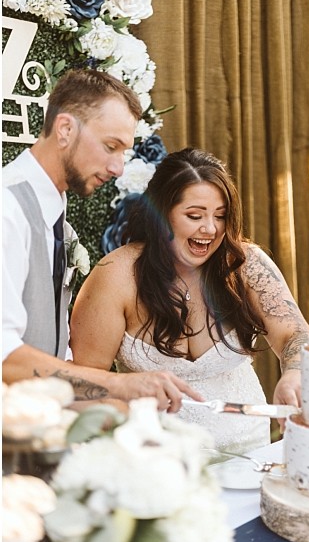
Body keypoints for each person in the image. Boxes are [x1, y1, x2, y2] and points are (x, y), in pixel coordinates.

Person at [70, 148, 309, 452]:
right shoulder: (115, 276)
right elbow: (85, 382)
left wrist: (294, 373)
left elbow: (295, 334)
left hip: (250, 452)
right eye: (194, 216)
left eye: (220, 216)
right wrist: (134, 432)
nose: (210, 229)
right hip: (157, 459)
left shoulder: (246, 263)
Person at [2, 68, 200, 411]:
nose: (119, 167)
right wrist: (118, 383)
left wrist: (113, 404)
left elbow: (48, 346)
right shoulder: (7, 209)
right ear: (65, 129)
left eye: (123, 152)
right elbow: (4, 357)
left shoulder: (52, 207)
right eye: (111, 147)